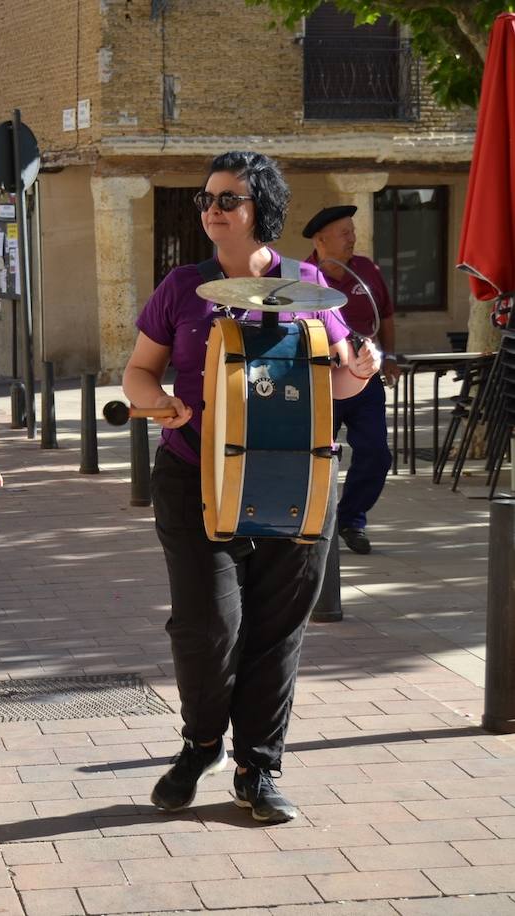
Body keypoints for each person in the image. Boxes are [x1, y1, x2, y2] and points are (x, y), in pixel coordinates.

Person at [122, 152, 379, 824]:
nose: (213, 209)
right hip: (195, 474)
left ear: (260, 209)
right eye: (208, 198)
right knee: (209, 627)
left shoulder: (313, 287)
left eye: (228, 199)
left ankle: (257, 769)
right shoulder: (182, 286)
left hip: (296, 473)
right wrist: (159, 406)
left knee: (276, 630)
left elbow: (343, 380)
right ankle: (201, 743)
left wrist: (364, 367)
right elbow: (138, 375)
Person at [303, 205, 400, 555]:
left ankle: (351, 518)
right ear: (320, 239)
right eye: (344, 232)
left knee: (376, 452)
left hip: (365, 376)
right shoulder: (303, 276)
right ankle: (311, 521)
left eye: (353, 231)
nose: (352, 238)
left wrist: (388, 357)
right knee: (315, 455)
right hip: (322, 381)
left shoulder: (366, 271)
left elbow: (384, 315)